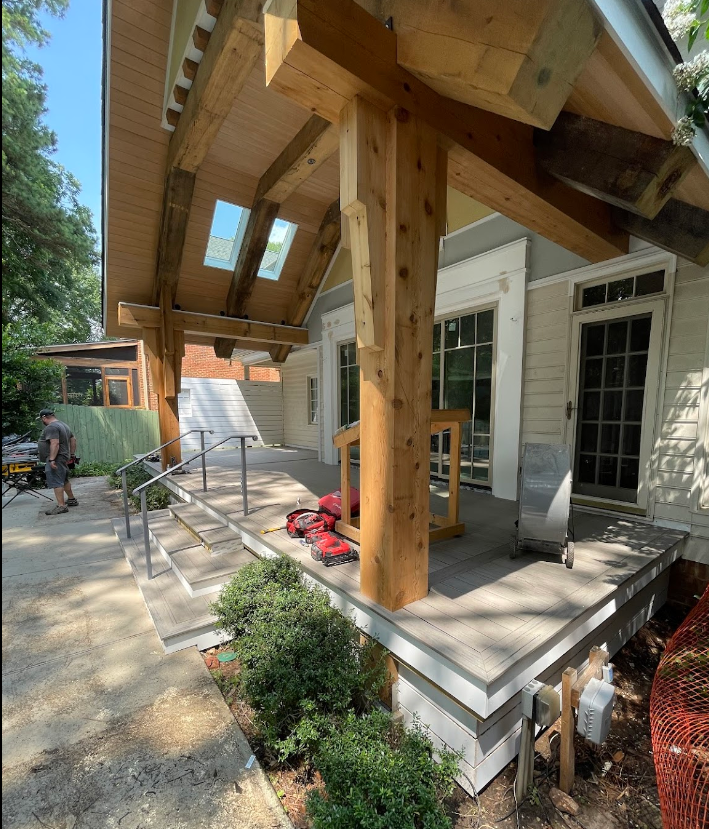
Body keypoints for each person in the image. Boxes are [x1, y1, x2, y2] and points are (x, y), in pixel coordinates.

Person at [37, 408, 78, 515]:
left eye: (42, 419)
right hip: (63, 456)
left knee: (56, 480)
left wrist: (52, 459)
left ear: (44, 418)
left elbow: (55, 443)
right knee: (63, 479)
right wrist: (72, 454)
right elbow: (73, 439)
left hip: (56, 457)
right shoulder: (63, 425)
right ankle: (71, 499)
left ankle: (61, 506)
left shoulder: (51, 427)